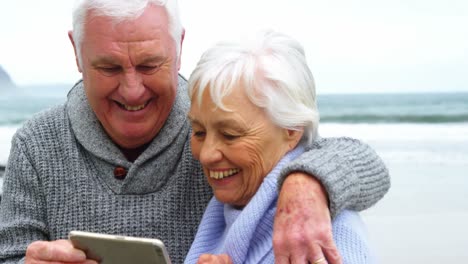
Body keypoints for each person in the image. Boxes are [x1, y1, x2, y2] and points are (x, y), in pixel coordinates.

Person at [0, 0, 390, 263]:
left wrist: (307, 182)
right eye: (109, 68)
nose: (132, 89)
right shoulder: (37, 145)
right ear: (77, 52)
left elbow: (345, 155)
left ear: (179, 45)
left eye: (151, 65)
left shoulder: (220, 111)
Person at [183, 30, 375, 264]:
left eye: (230, 134)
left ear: (292, 128)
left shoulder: (321, 234)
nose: (207, 154)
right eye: (199, 132)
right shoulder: (231, 209)